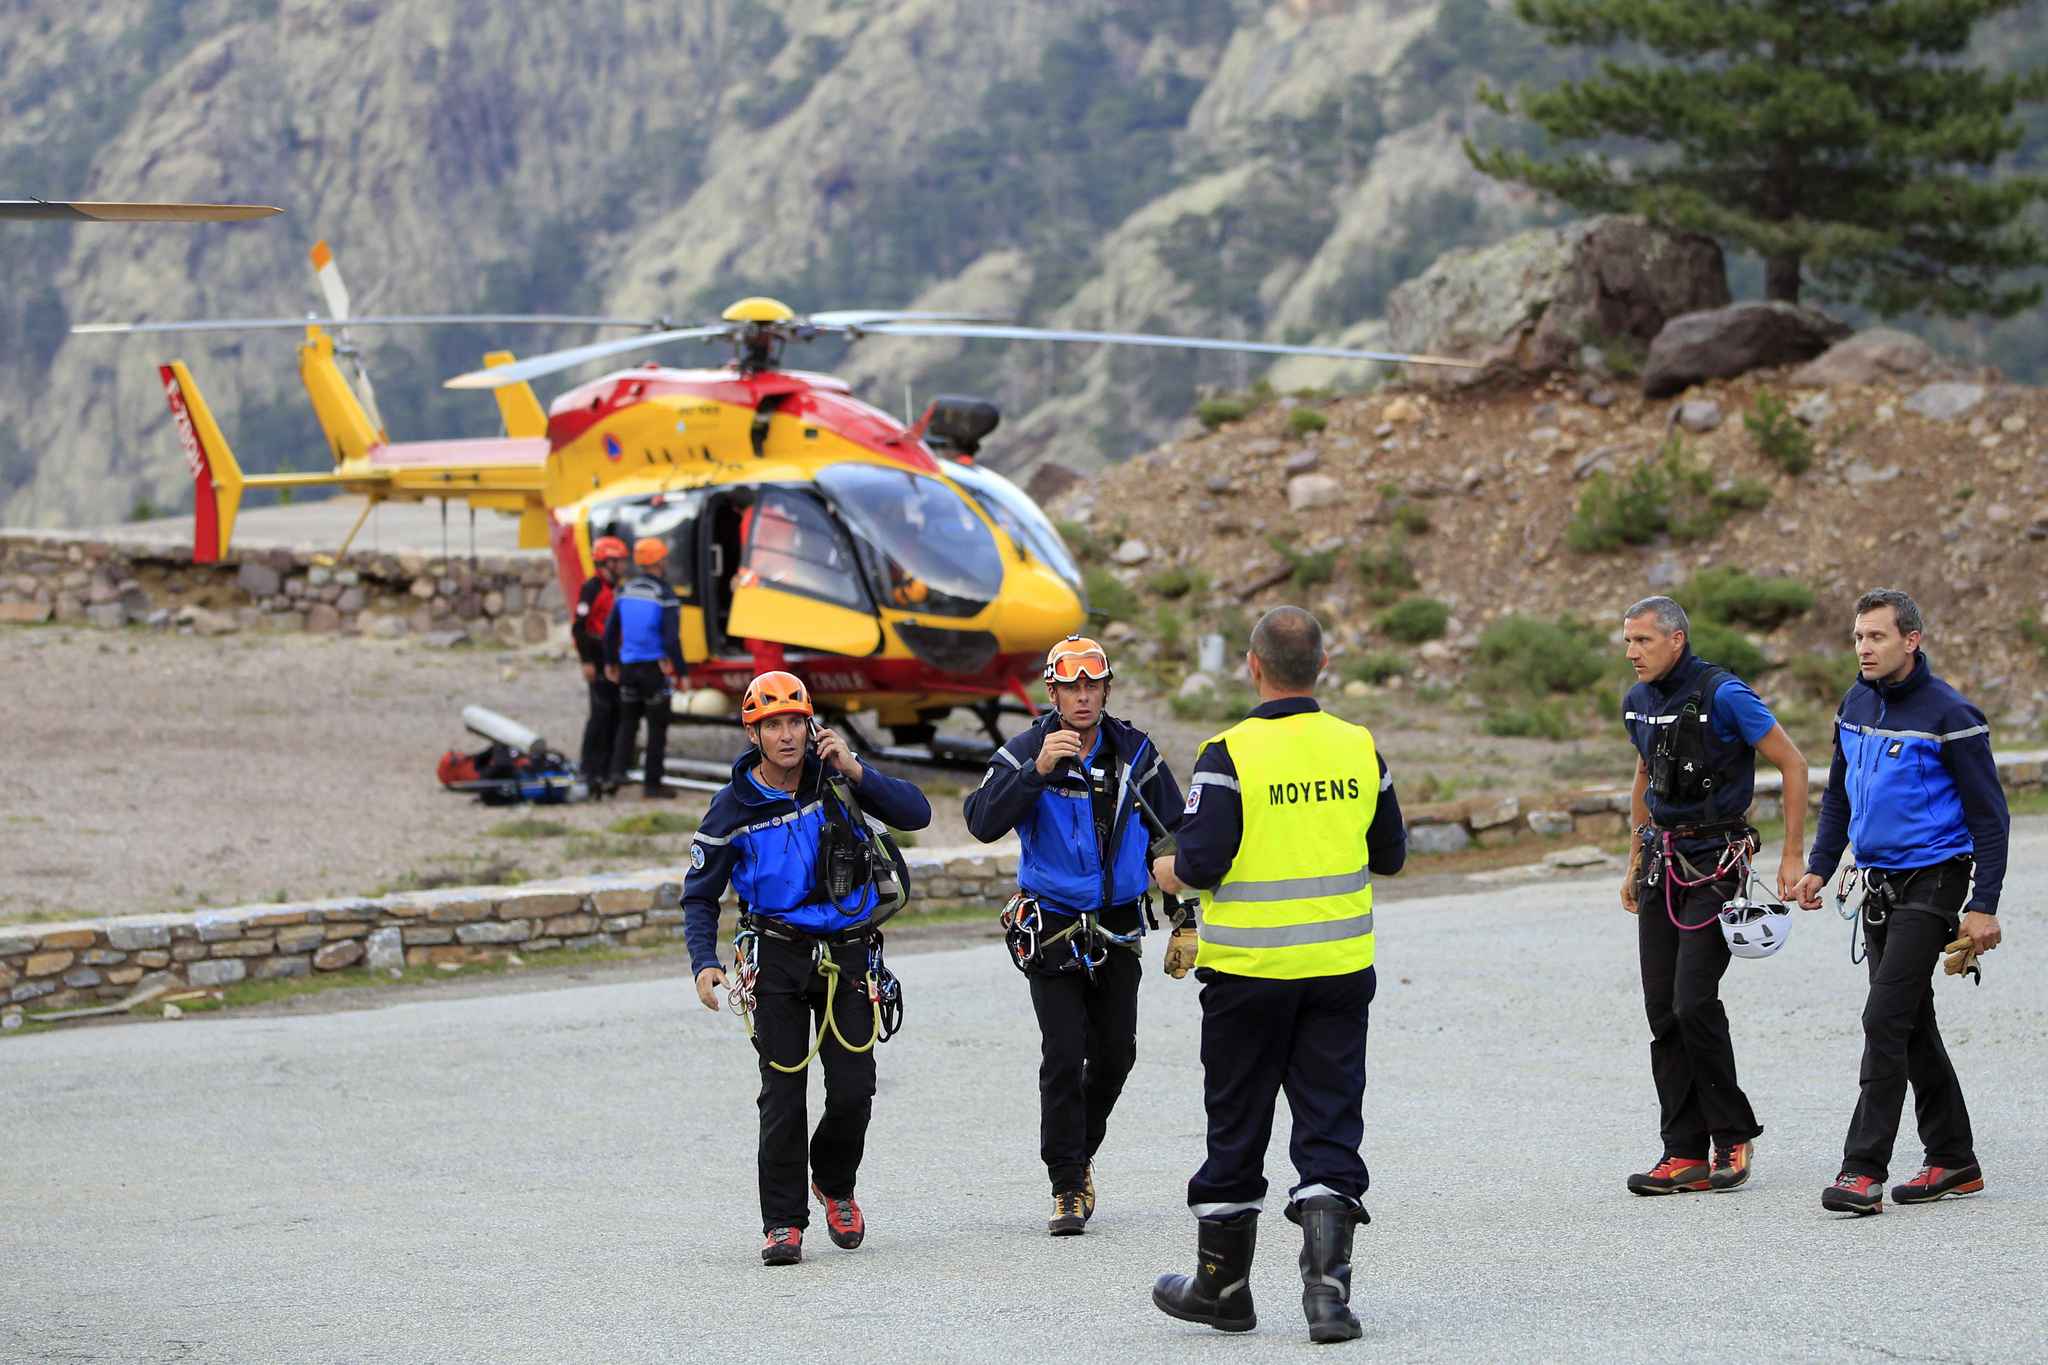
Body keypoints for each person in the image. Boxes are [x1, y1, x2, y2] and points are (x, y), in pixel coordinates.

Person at [1149, 606, 1406, 1345]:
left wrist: (1162, 868)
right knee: (1330, 1122)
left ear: (1253, 666)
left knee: (1237, 1121)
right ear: (1321, 667)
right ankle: (1328, 1299)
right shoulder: (1360, 747)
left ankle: (1223, 1288)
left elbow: (1200, 864)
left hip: (1249, 975)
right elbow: (1389, 854)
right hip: (1338, 968)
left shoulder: (1228, 753)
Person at [685, 672, 933, 1265]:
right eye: (773, 725)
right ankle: (782, 1223)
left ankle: (836, 1184)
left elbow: (917, 813)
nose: (787, 734)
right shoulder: (731, 808)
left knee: (854, 1089)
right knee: (783, 1093)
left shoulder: (835, 779)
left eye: (795, 721)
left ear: (810, 724)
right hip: (776, 956)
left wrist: (855, 769)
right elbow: (699, 894)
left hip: (848, 952)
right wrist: (704, 962)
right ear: (754, 733)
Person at [1791, 588, 2008, 1216]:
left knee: (1884, 1018)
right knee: (1912, 1025)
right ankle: (1954, 1159)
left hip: (1935, 882)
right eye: (1859, 637)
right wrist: (1819, 867)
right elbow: (1840, 796)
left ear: (1910, 640)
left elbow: (1991, 821)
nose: (1864, 648)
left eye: (1877, 637)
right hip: (1878, 885)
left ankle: (1862, 1171)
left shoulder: (1951, 715)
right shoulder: (1855, 702)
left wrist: (1983, 904)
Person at [962, 635, 1185, 1236]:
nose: (1083, 698)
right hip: (1053, 926)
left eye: (1093, 686)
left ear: (1106, 689)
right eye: (1070, 687)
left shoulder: (1136, 754)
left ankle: (1079, 1153)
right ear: (1052, 692)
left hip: (1116, 924)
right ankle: (1065, 1184)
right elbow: (981, 822)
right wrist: (1035, 773)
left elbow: (1173, 837)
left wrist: (1181, 917)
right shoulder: (1026, 750)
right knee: (1063, 1054)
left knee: (1116, 1055)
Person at [1618, 595, 1809, 1196]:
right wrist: (1632, 860)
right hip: (1661, 861)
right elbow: (1645, 776)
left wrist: (1793, 854)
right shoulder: (1637, 703)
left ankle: (1732, 1132)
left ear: (1676, 639)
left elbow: (1794, 763)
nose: (1631, 653)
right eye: (1627, 642)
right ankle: (1682, 1152)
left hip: (1715, 861)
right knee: (1660, 1009)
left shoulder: (1725, 695)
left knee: (1693, 1000)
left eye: (1643, 641)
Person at [604, 538, 684, 800]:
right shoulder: (664, 594)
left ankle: (615, 775)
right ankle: (652, 784)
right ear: (660, 561)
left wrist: (610, 662)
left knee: (627, 723)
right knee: (657, 728)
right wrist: (682, 672)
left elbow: (610, 632)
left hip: (627, 668)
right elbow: (671, 638)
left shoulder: (625, 590)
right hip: (653, 670)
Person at [571, 536, 627, 796]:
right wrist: (586, 661)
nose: (622, 566)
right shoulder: (592, 588)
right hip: (597, 656)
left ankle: (606, 771)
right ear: (606, 562)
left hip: (613, 657)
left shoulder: (616, 588)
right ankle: (588, 769)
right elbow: (579, 627)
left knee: (615, 715)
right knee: (600, 715)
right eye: (618, 561)